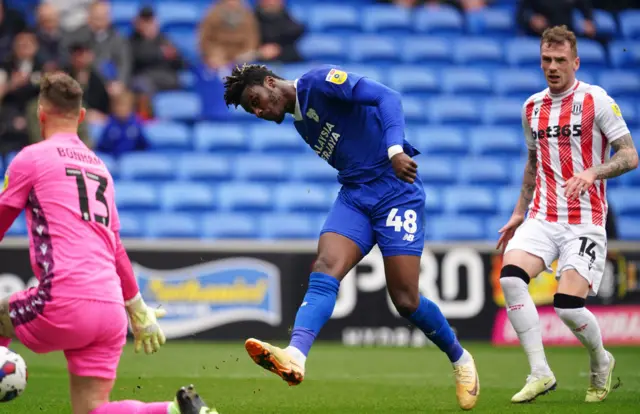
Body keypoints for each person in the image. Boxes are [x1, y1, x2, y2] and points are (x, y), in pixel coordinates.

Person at [223, 64, 480, 411]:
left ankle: (461, 359)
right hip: (355, 196)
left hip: (395, 192)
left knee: (405, 300)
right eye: (253, 110)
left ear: (270, 83)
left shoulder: (319, 82)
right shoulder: (300, 120)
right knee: (326, 266)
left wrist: (394, 151)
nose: (259, 111)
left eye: (256, 100)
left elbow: (388, 97)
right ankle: (296, 355)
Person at [0, 72, 217, 414]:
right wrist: (138, 308)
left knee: (0, 314)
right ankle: (175, 411)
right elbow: (114, 245)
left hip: (63, 299)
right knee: (93, 409)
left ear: (40, 112)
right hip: (110, 310)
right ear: (82, 116)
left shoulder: (31, 158)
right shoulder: (100, 168)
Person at [497, 25, 638, 404]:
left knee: (567, 307)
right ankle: (540, 373)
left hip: (585, 221)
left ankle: (600, 361)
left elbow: (629, 155)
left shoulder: (597, 100)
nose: (553, 67)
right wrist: (517, 213)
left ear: (575, 62)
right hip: (542, 216)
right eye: (547, 59)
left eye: (561, 60)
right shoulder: (531, 107)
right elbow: (532, 164)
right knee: (510, 280)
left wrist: (593, 171)